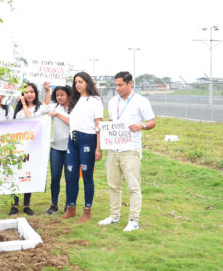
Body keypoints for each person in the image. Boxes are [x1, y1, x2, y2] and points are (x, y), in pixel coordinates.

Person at [99, 71, 156, 232]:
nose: (117, 88)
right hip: (114, 149)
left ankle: (134, 220)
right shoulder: (112, 102)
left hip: (130, 149)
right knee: (113, 184)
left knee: (133, 186)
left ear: (130, 83)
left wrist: (141, 126)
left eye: (120, 85)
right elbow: (111, 123)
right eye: (115, 85)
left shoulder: (141, 101)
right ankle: (114, 216)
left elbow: (152, 122)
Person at [63, 72, 104, 223]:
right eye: (75, 82)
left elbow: (98, 124)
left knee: (87, 176)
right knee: (70, 175)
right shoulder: (74, 100)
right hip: (72, 140)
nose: (77, 85)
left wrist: (98, 148)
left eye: (80, 81)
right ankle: (71, 208)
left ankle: (87, 210)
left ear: (87, 82)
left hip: (88, 140)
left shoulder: (95, 100)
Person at [9, 82, 51, 216]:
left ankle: (27, 205)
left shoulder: (38, 108)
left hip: (33, 148)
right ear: (22, 94)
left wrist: (47, 91)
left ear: (36, 93)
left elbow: (30, 119)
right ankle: (14, 204)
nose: (29, 94)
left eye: (31, 91)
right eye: (26, 92)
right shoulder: (17, 110)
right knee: (14, 174)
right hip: (18, 147)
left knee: (28, 174)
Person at [44, 85, 71, 215]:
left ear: (69, 95)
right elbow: (44, 107)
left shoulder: (74, 108)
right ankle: (54, 204)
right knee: (55, 177)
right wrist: (47, 91)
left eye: (62, 95)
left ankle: (69, 205)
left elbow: (73, 122)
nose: (59, 97)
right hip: (55, 148)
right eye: (57, 95)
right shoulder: (54, 107)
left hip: (70, 148)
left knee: (70, 177)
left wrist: (58, 115)